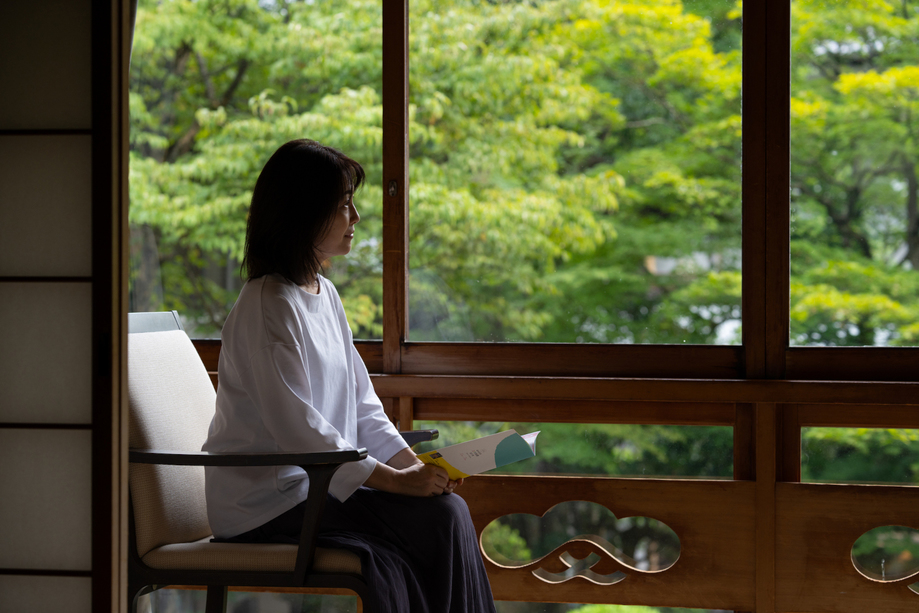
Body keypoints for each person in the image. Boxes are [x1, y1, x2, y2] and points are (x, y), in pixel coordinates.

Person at [202, 139, 497, 613]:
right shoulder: (267, 305)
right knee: (438, 518)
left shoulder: (325, 294)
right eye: (343, 205)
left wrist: (411, 467)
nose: (355, 217)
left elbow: (363, 406)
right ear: (303, 213)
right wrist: (397, 483)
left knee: (442, 511)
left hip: (312, 492)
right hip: (264, 506)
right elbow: (300, 432)